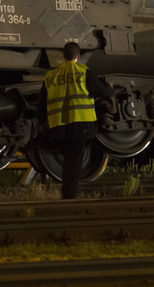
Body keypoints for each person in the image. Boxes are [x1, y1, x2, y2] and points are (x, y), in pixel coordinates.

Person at [37, 42, 115, 199]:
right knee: (74, 161)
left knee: (68, 160)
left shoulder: (51, 76)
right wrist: (111, 89)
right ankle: (69, 196)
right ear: (78, 57)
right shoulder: (83, 72)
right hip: (80, 125)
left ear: (63, 56)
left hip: (58, 126)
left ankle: (67, 193)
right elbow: (101, 91)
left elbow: (41, 103)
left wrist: (42, 123)